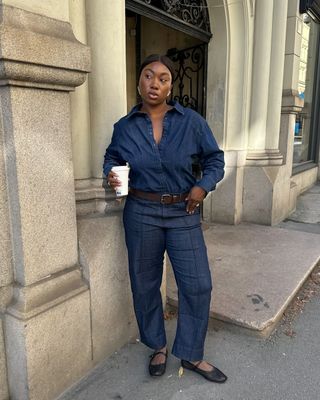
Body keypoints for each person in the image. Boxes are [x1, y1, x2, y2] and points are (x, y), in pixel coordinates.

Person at [103, 54, 227, 383]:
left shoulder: (191, 122)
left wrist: (202, 186)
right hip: (140, 212)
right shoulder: (124, 127)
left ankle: (192, 352)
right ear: (139, 81)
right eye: (148, 76)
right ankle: (157, 344)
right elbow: (112, 158)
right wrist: (111, 176)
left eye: (162, 78)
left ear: (171, 85)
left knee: (198, 284)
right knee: (145, 284)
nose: (154, 83)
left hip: (182, 211)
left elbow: (215, 160)